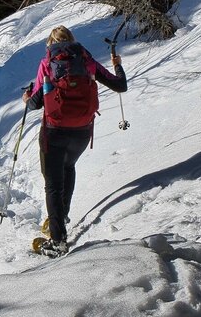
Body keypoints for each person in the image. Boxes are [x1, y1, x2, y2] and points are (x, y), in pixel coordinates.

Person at [22, 25, 127, 257]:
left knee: (52, 184)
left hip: (54, 130)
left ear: (51, 44)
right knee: (68, 167)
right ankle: (62, 215)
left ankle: (58, 240)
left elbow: (35, 103)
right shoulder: (87, 60)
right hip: (82, 130)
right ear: (72, 41)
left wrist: (27, 97)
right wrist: (117, 64)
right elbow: (121, 85)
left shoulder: (47, 63)